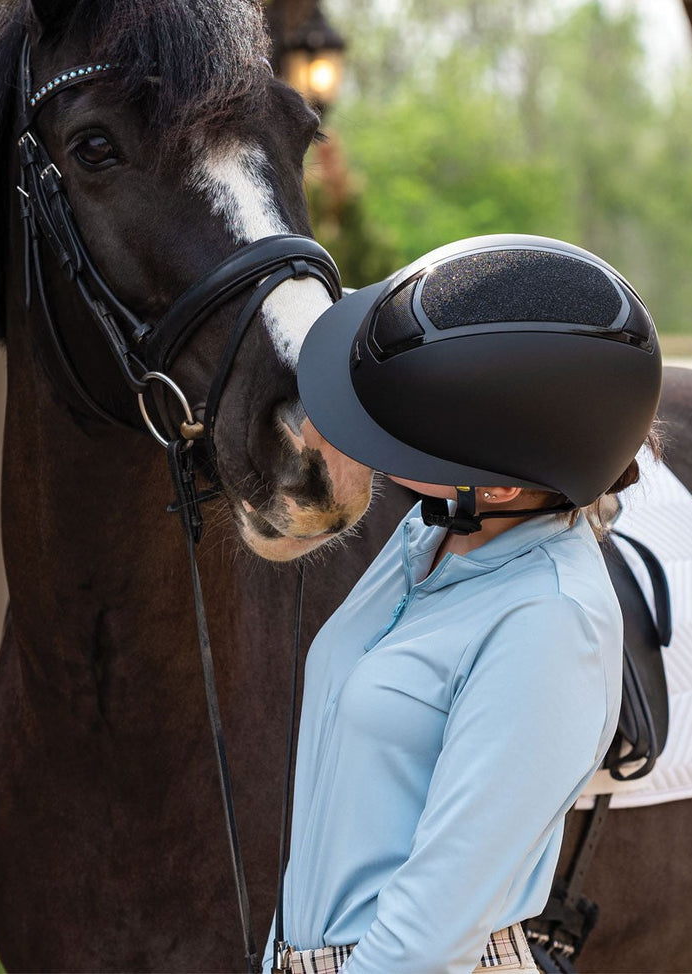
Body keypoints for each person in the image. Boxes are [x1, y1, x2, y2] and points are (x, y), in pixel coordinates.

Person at [263, 234, 663, 974]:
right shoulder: (428, 537)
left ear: (501, 488)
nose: (336, 433)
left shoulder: (548, 622)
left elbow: (430, 930)